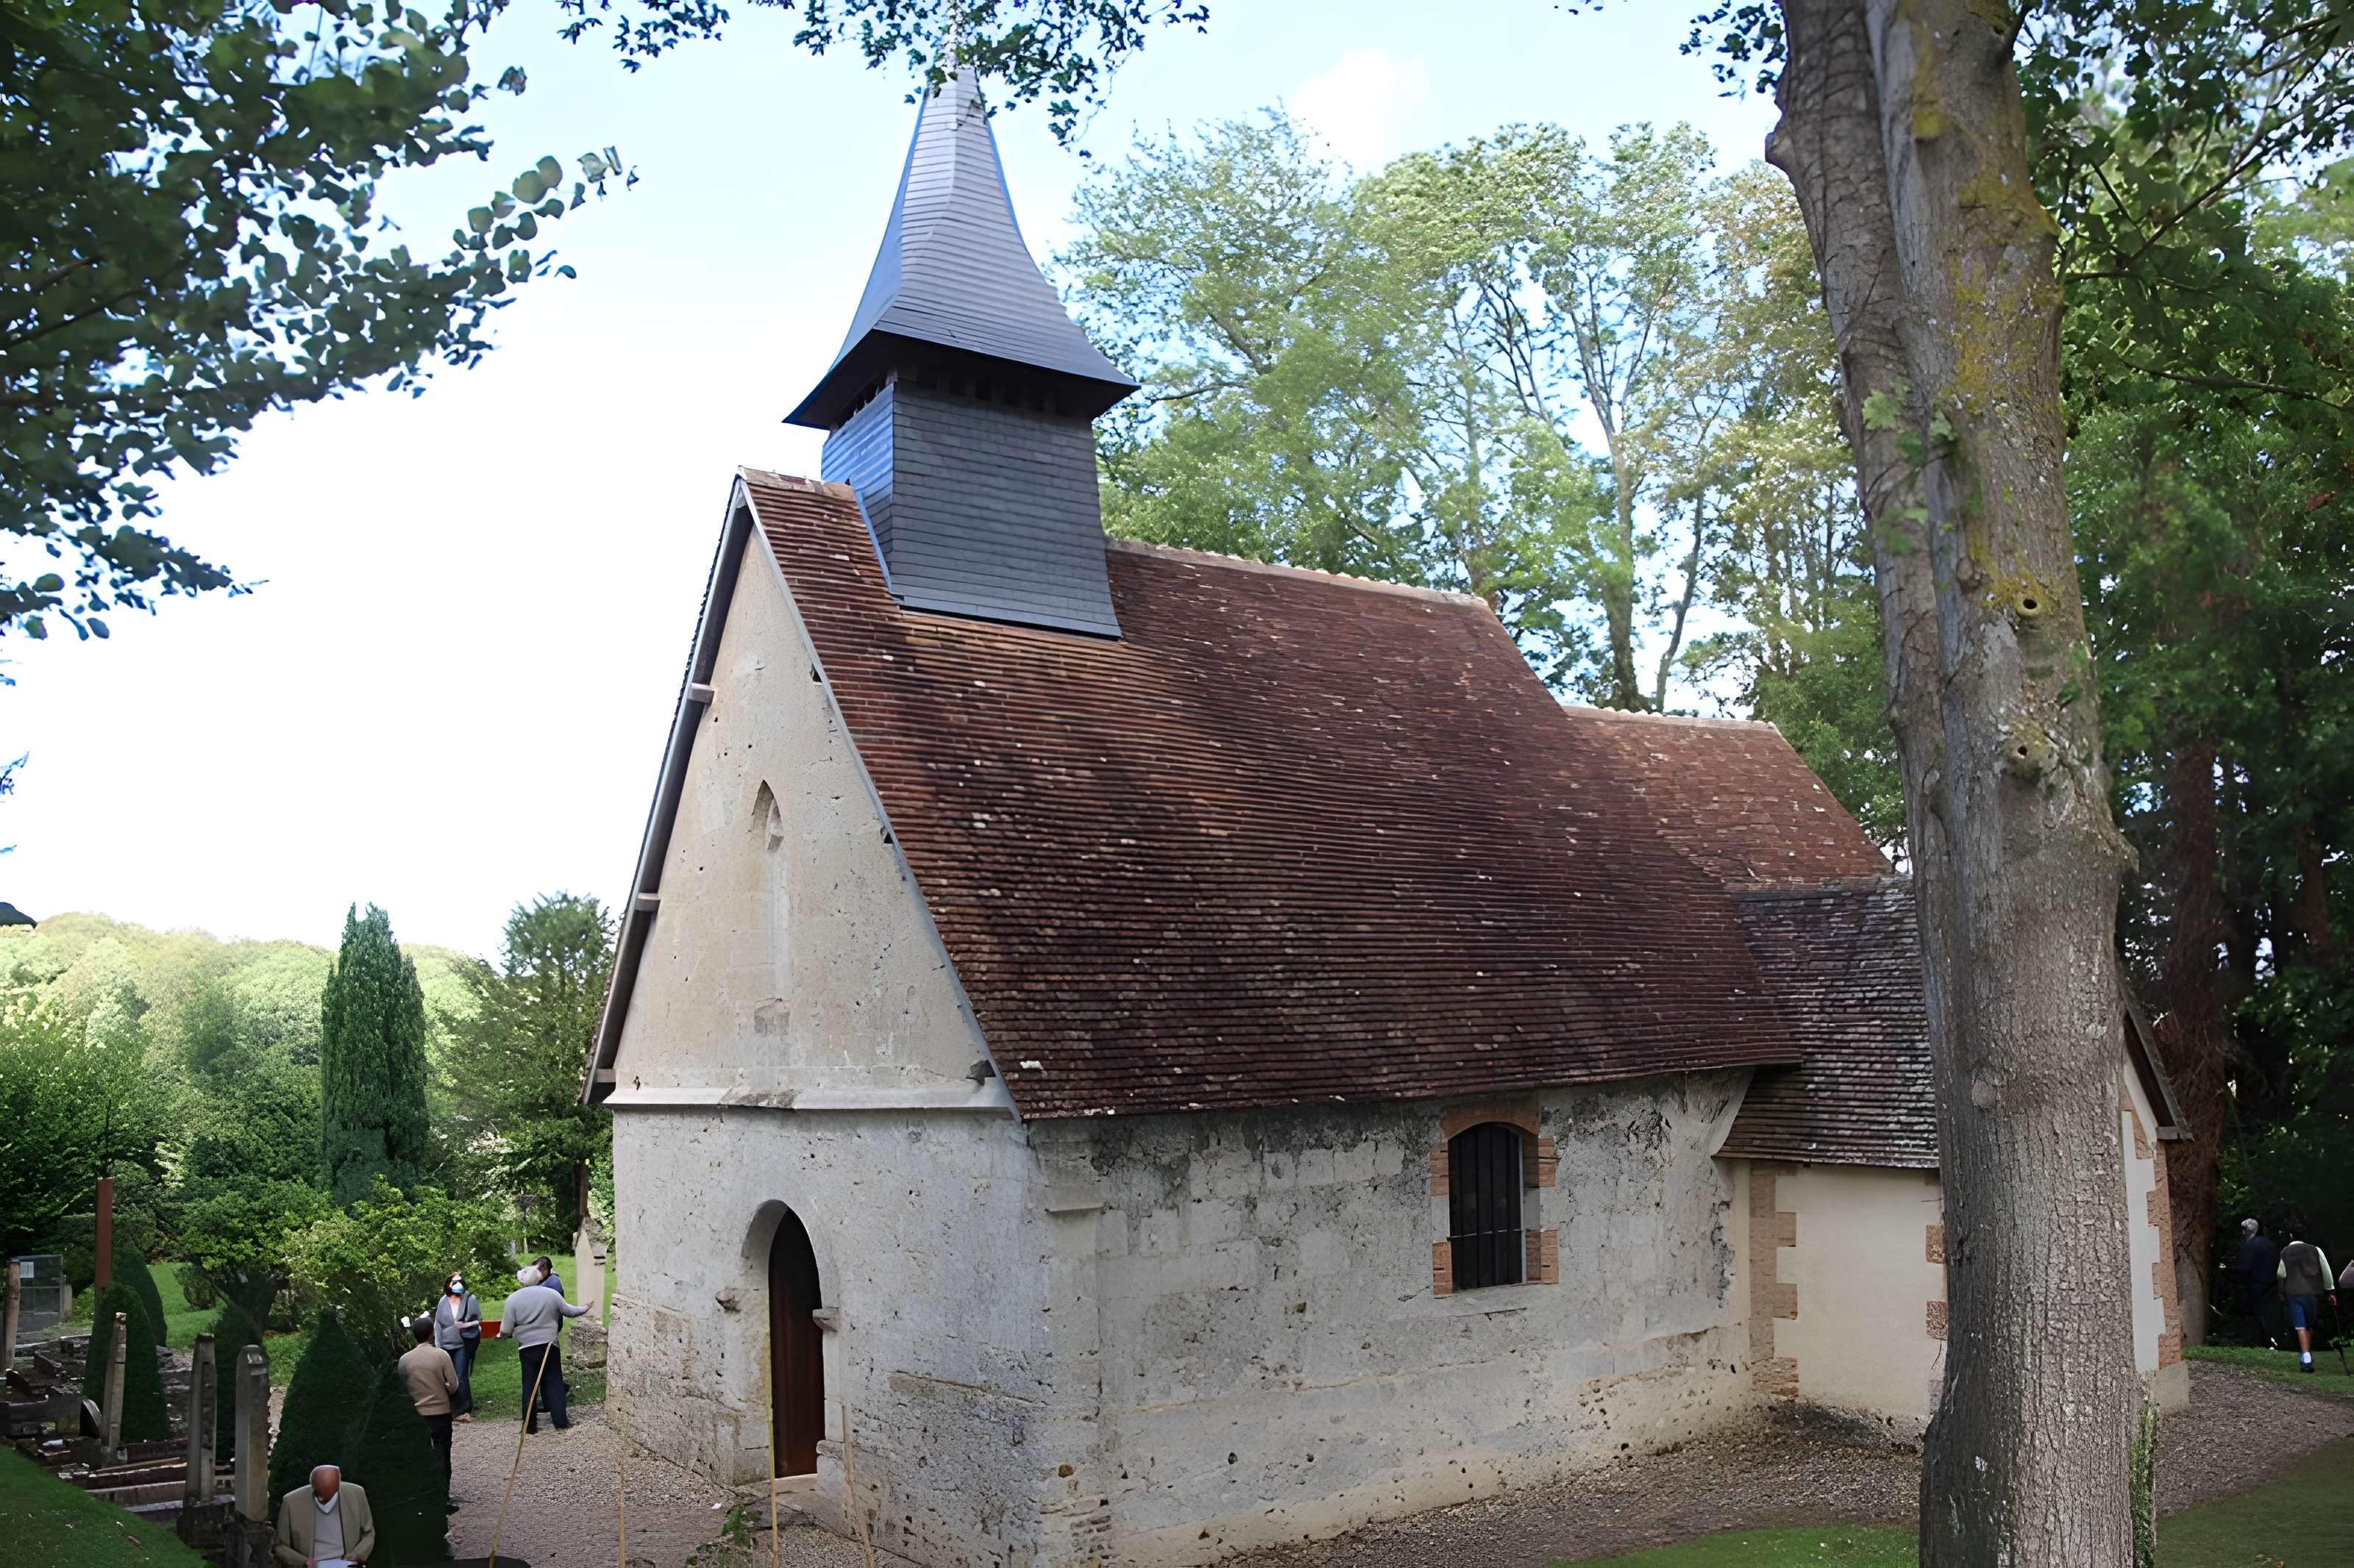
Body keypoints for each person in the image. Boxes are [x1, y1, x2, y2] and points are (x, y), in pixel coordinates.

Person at [502, 1272, 590, 1434]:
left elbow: (505, 1329)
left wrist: (503, 1335)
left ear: (521, 1281)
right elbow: (570, 1311)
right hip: (550, 1346)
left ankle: (529, 1426)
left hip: (527, 1348)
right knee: (555, 1383)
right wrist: (586, 1307)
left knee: (529, 1386)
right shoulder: (551, 1294)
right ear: (540, 1278)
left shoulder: (513, 1299)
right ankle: (561, 1422)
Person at [397, 1316, 461, 1509]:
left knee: (422, 1455)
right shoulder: (441, 1355)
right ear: (432, 1333)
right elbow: (453, 1385)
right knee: (443, 1455)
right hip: (440, 1412)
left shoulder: (404, 1360)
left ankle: (422, 1495)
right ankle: (443, 1498)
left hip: (417, 1414)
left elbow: (402, 1387)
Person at [274, 1464, 374, 1567]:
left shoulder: (357, 1494)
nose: (322, 1499)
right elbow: (280, 1546)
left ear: (338, 1485)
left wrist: (356, 1555)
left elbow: (369, 1533)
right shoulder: (291, 1502)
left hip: (347, 1564)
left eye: (329, 1494)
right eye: (319, 1493)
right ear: (312, 1485)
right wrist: (303, 1562)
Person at [2278, 1230, 2339, 1373]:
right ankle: (2306, 1355)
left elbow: (2281, 1274)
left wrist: (2281, 1293)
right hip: (2312, 1292)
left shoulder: (2285, 1252)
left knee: (2300, 1326)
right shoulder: (2316, 1250)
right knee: (2308, 1325)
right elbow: (2326, 1270)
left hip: (2294, 1292)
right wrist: (2331, 1291)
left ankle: (2306, 1357)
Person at [432, 1272, 482, 1422]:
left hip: (461, 1343)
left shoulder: (469, 1299)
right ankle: (451, 1407)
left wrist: (465, 1325)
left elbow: (478, 1321)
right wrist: (438, 1345)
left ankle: (464, 1408)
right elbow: (438, 1324)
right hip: (445, 1344)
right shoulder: (443, 1301)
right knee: (447, 1377)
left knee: (461, 1376)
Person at [2232, 1218, 2281, 1346]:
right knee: (2270, 1313)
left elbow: (2243, 1267)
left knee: (2257, 1314)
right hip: (2272, 1285)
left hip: (2255, 1285)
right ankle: (2274, 1339)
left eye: (2244, 1231)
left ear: (2248, 1231)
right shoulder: (2270, 1245)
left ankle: (2262, 1341)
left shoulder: (2250, 1246)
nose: (2242, 1234)